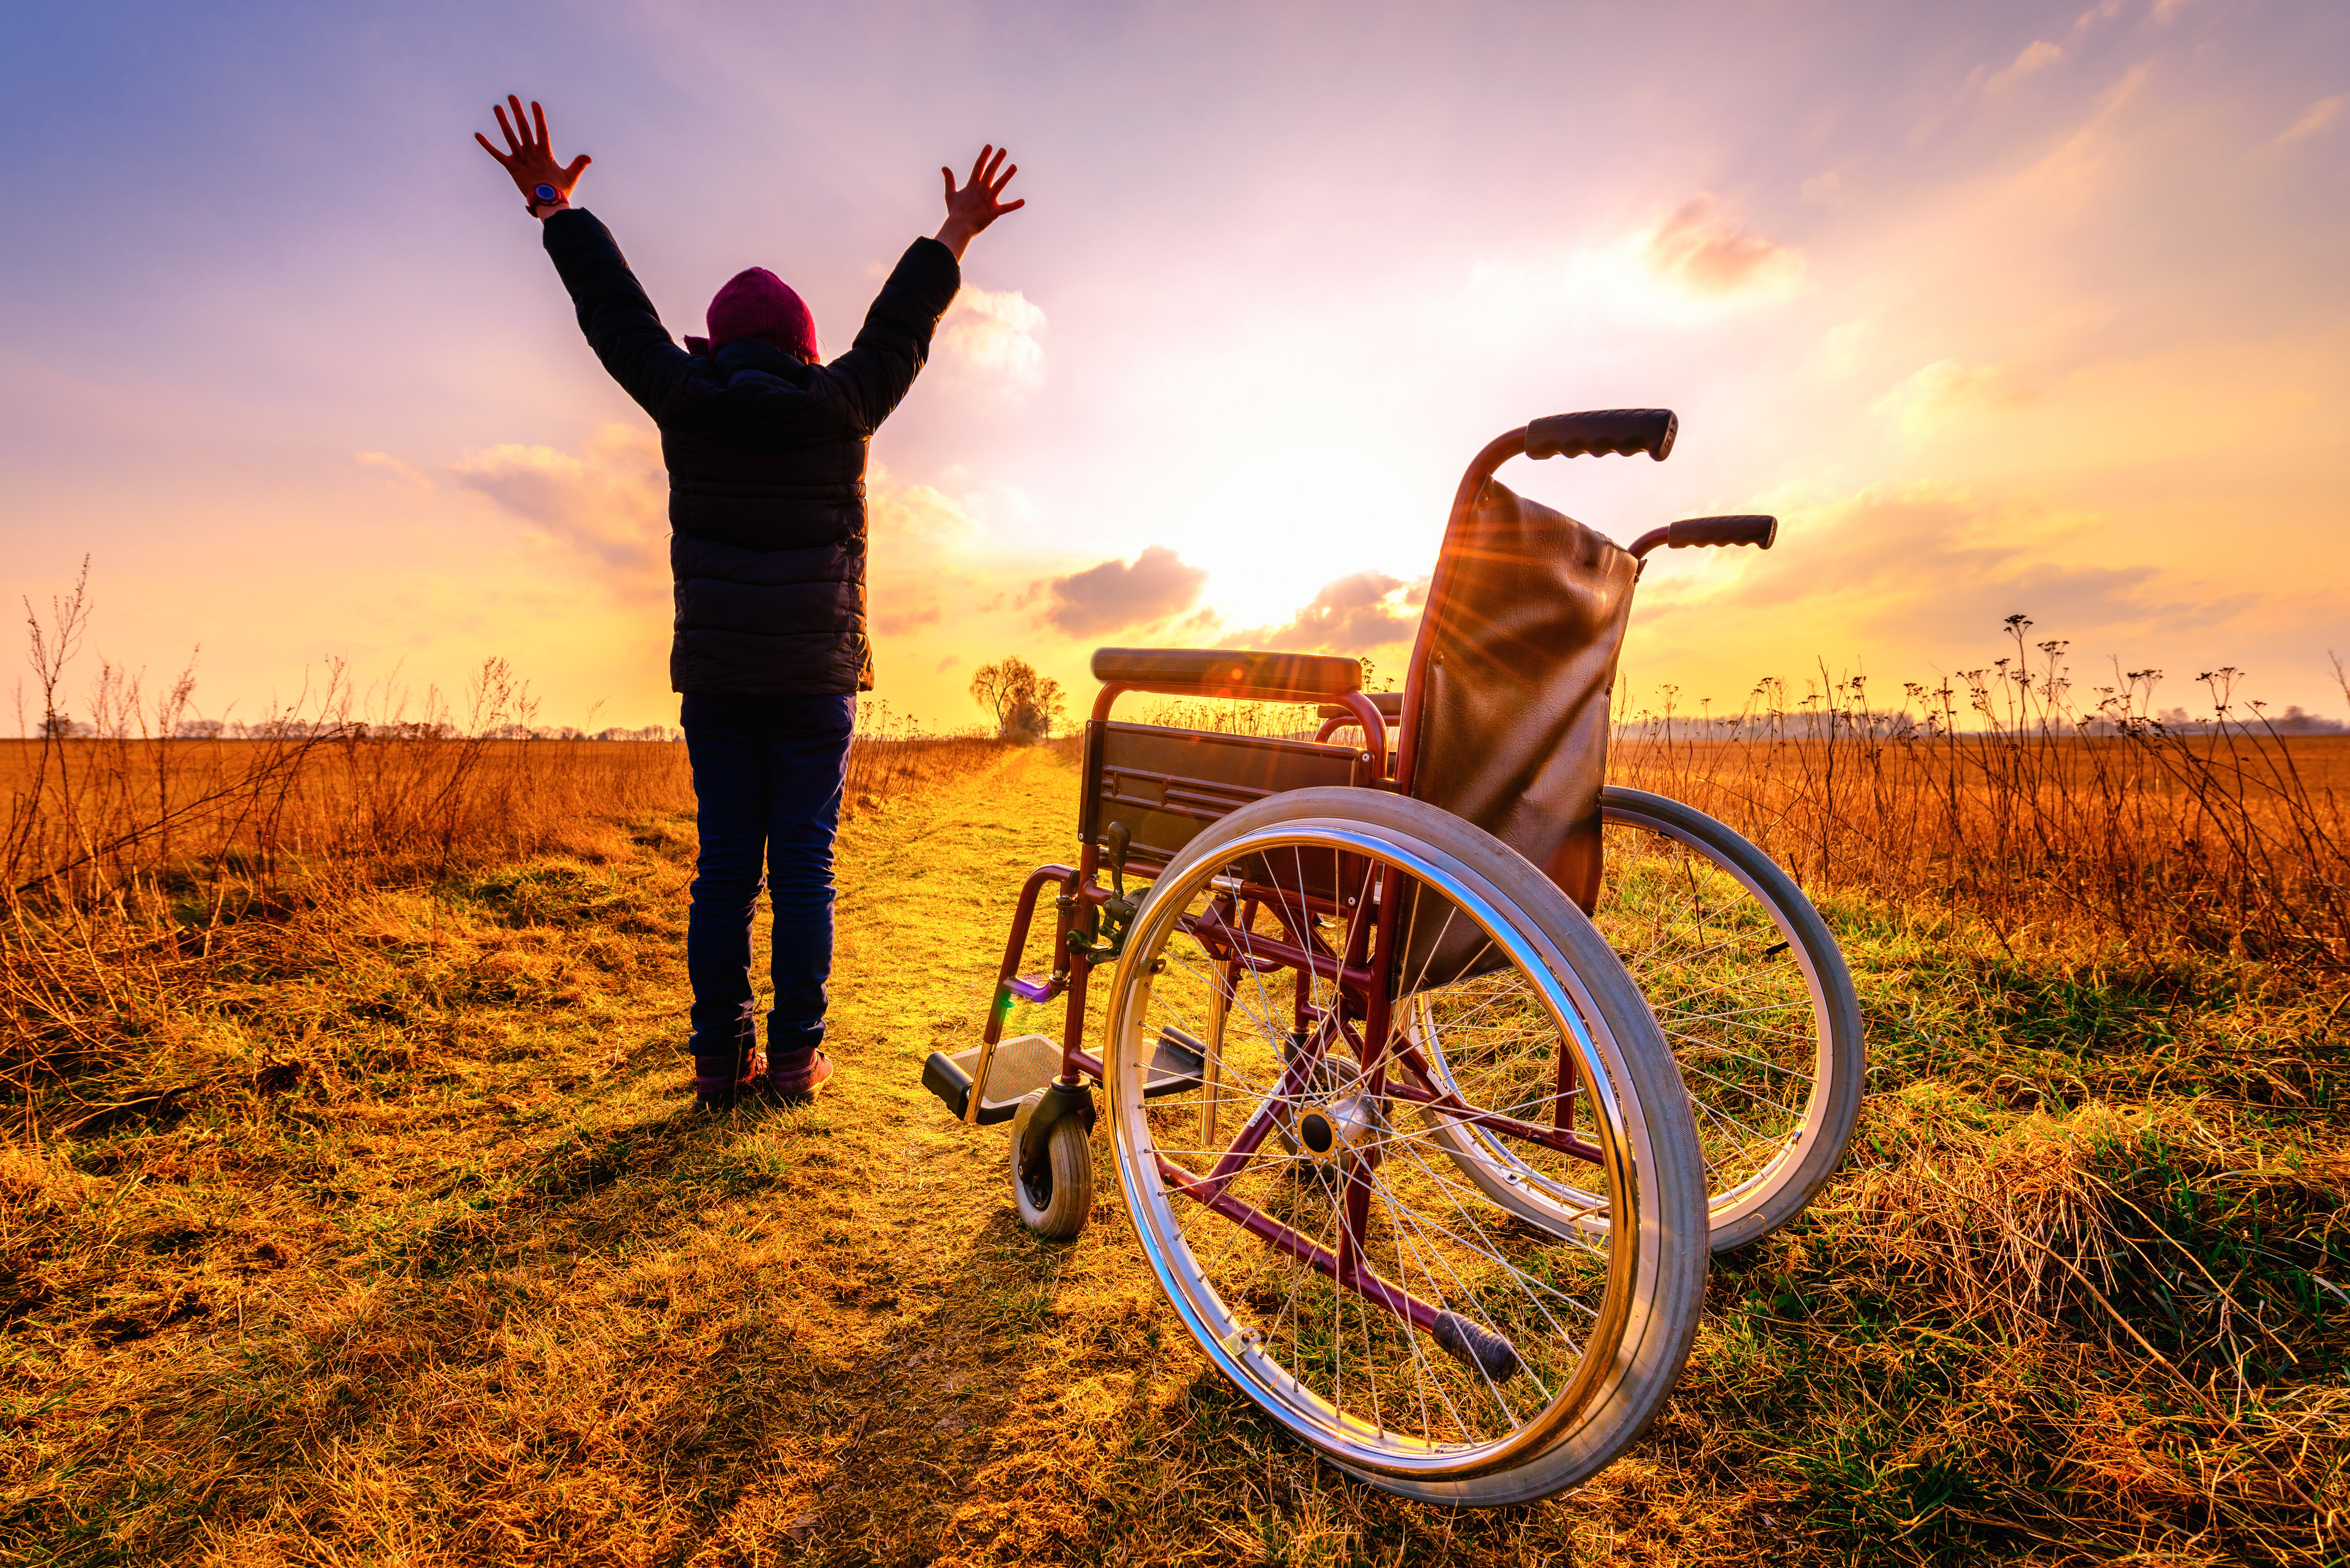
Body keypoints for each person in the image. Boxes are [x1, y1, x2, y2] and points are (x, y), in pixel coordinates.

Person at [475, 97, 1024, 1110]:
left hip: (722, 677)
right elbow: (902, 325)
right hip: (814, 678)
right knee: (805, 866)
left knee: (726, 865)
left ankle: (720, 1061)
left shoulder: (686, 399)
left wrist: (555, 203)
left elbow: (614, 314)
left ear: (717, 346)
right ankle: (796, 1057)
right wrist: (956, 229)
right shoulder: (842, 406)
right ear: (807, 347)